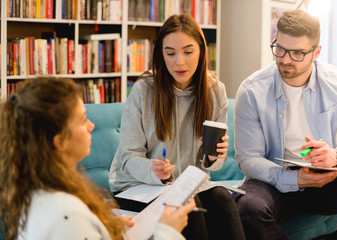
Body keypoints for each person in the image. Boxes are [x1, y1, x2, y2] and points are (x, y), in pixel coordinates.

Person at [0, 77, 196, 240]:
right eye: (83, 119)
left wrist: (102, 230)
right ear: (60, 141)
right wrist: (166, 231)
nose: (91, 126)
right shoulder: (68, 215)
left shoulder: (37, 195)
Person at [109, 13, 245, 240]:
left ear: (202, 50)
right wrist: (153, 169)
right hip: (137, 187)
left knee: (223, 198)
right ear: (161, 54)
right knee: (189, 208)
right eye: (170, 53)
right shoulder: (144, 90)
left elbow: (212, 165)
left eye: (188, 52)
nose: (179, 62)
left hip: (186, 186)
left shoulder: (214, 91)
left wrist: (213, 156)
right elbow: (127, 159)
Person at [234, 9, 337, 240]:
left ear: (316, 51)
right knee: (246, 207)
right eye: (280, 49)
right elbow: (247, 158)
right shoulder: (252, 90)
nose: (285, 59)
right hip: (275, 179)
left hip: (328, 178)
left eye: (298, 53)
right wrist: (292, 179)